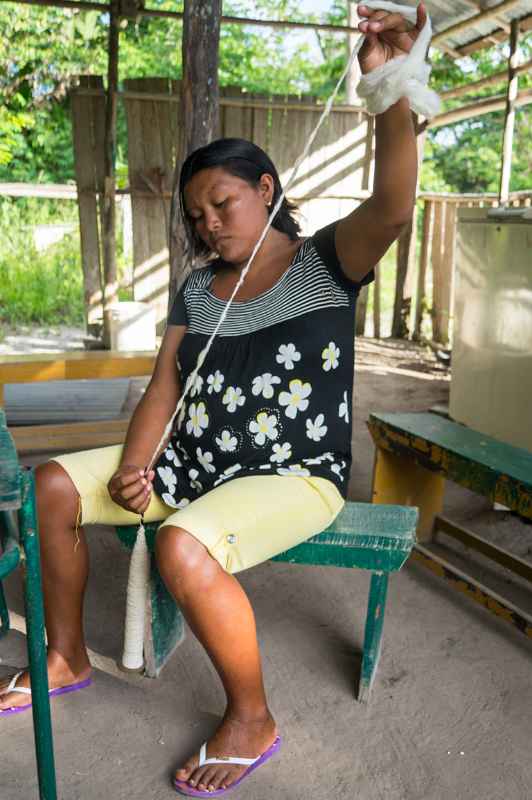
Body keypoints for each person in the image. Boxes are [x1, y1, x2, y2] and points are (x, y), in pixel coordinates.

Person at [0, 4, 425, 795]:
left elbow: (396, 204)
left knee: (182, 548)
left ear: (266, 190)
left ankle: (252, 717)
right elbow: (165, 384)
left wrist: (389, 85)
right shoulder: (199, 289)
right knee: (49, 484)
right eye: (197, 215)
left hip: (292, 476)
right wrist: (136, 465)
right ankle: (63, 656)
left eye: (223, 205)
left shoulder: (326, 262)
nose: (209, 223)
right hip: (190, 465)